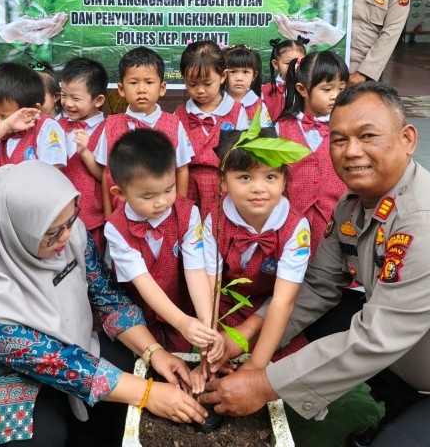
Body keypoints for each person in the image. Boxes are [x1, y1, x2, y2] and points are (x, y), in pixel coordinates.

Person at [200, 82, 430, 447]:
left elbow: (379, 337)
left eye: (368, 136)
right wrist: (241, 338)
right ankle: (405, 410)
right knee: (334, 313)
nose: (351, 151)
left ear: (407, 139)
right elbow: (315, 288)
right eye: (339, 140)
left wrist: (264, 385)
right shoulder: (352, 207)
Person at [0, 161, 206, 447]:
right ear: (16, 229)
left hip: (64, 345)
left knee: (124, 360)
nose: (67, 235)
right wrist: (147, 394)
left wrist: (154, 351)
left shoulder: (69, 235)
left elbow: (106, 297)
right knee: (42, 436)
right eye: (52, 232)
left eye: (71, 220)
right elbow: (51, 361)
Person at [200, 127, 312, 370]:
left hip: (273, 308)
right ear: (223, 181)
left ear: (284, 181)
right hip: (226, 306)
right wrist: (211, 339)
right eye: (245, 177)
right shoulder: (214, 220)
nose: (259, 188)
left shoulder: (296, 228)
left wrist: (256, 367)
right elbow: (211, 285)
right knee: (213, 363)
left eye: (270, 177)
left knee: (283, 369)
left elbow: (283, 300)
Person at [104, 129, 216, 359]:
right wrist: (182, 322)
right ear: (120, 193)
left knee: (183, 354)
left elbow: (195, 269)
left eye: (169, 189)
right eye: (148, 197)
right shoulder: (115, 228)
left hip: (181, 300)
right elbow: (142, 280)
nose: (162, 202)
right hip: (140, 307)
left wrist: (206, 323)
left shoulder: (188, 213)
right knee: (148, 357)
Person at [94, 47, 194, 217]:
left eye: (149, 82)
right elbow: (107, 172)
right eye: (133, 83)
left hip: (164, 212)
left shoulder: (174, 125)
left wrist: (180, 211)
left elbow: (182, 170)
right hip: (121, 214)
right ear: (121, 89)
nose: (141, 89)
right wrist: (108, 214)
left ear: (162, 88)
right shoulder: (111, 126)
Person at [275, 51, 349, 257]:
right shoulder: (280, 129)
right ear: (302, 89)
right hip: (292, 219)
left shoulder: (348, 127)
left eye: (341, 89)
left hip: (337, 218)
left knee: (333, 265)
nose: (335, 95)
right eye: (327, 89)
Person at [174, 41, 248, 218]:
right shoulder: (179, 114)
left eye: (207, 83)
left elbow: (243, 156)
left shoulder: (237, 112)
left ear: (223, 76)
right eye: (192, 84)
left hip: (225, 187)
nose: (200, 90)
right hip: (187, 187)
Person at [0, 62, 66, 167]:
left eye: (4, 116)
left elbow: (52, 171)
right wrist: (6, 125)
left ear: (34, 109)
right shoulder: (1, 127)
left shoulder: (47, 127)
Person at [57, 58, 107, 254]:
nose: (68, 103)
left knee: (91, 266)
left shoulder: (107, 130)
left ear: (98, 100)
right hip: (57, 215)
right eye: (63, 95)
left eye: (76, 98)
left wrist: (85, 153)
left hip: (90, 218)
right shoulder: (56, 126)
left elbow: (105, 176)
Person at [223, 44, 271, 127]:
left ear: (254, 75)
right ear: (223, 74)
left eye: (245, 72)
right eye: (233, 72)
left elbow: (266, 132)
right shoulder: (216, 101)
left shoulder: (259, 106)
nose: (239, 78)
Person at [262, 38, 307, 120]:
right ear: (275, 64)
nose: (294, 67)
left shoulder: (309, 88)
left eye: (299, 62)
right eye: (288, 63)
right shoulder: (266, 91)